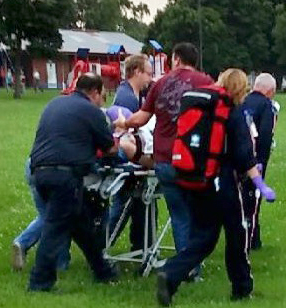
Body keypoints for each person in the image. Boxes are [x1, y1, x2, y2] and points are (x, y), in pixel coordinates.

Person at [156, 68, 276, 306]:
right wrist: (260, 184)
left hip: (195, 181)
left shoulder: (200, 105)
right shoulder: (231, 111)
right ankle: (242, 288)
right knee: (237, 235)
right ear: (241, 88)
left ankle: (170, 274)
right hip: (223, 183)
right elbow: (243, 154)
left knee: (204, 238)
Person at [118, 43, 213, 279]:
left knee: (179, 216)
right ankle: (193, 266)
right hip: (195, 160)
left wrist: (124, 123)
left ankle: (186, 269)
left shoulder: (160, 83)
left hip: (165, 160)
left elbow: (141, 118)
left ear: (177, 59)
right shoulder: (206, 82)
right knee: (198, 215)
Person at [27, 73, 119, 292]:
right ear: (95, 92)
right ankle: (40, 282)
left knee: (81, 225)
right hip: (65, 176)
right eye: (102, 95)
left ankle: (102, 270)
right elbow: (110, 148)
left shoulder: (55, 103)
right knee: (54, 227)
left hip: (39, 171)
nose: (102, 100)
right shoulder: (91, 111)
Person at [106, 55, 155, 254]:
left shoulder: (133, 95)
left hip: (132, 159)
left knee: (135, 205)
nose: (151, 79)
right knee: (123, 205)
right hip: (129, 160)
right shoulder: (127, 98)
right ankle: (102, 245)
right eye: (148, 74)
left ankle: (142, 244)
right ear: (136, 72)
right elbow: (129, 133)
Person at [11, 158, 71, 272]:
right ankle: (59, 262)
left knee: (48, 215)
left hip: (34, 165)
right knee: (58, 216)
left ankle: (61, 261)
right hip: (55, 170)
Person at [240, 73, 278, 250]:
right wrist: (261, 161)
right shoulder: (266, 106)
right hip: (254, 160)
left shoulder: (242, 101)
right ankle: (252, 239)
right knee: (253, 199)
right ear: (270, 91)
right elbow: (264, 136)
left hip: (237, 157)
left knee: (240, 197)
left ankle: (241, 235)